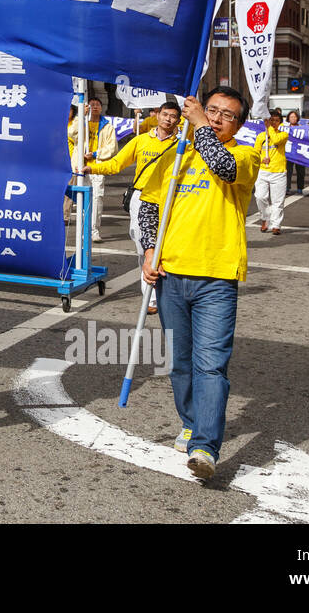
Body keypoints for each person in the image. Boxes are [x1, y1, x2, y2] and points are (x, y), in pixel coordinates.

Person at [139, 87, 260, 481]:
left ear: (238, 124)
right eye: (212, 110)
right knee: (180, 363)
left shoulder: (245, 154)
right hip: (171, 275)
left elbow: (223, 167)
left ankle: (205, 446)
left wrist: (198, 125)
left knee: (211, 366)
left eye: (227, 115)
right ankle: (191, 421)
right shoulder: (179, 154)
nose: (218, 118)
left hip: (217, 277)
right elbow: (152, 205)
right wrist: (149, 249)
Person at [85, 99, 180, 315]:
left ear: (178, 120)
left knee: (166, 246)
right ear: (157, 115)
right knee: (143, 246)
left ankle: (163, 294)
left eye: (174, 116)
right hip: (141, 199)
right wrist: (92, 169)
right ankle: (150, 295)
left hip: (170, 200)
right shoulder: (140, 141)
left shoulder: (182, 145)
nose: (169, 119)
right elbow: (117, 163)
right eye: (165, 114)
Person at [67, 96, 116, 241]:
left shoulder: (107, 126)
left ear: (101, 108)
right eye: (92, 104)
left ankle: (94, 230)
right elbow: (71, 133)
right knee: (83, 199)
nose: (94, 106)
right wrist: (80, 115)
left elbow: (112, 148)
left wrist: (95, 154)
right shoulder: (82, 122)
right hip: (81, 167)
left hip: (97, 167)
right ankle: (83, 230)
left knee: (97, 198)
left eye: (97, 105)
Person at [254, 107, 289, 235]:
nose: (273, 122)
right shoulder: (260, 137)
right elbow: (256, 153)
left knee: (277, 201)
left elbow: (275, 140)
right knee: (260, 197)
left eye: (276, 120)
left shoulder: (283, 135)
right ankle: (265, 218)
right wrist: (262, 159)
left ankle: (276, 224)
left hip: (278, 172)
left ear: (280, 122)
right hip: (263, 172)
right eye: (271, 120)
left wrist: (269, 128)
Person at [283, 111, 306, 194]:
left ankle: (300, 188)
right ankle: (287, 188)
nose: (293, 118)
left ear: (298, 118)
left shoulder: (303, 128)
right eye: (291, 117)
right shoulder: (285, 128)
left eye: (294, 117)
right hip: (289, 153)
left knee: (300, 172)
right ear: (288, 118)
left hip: (300, 153)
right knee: (288, 171)